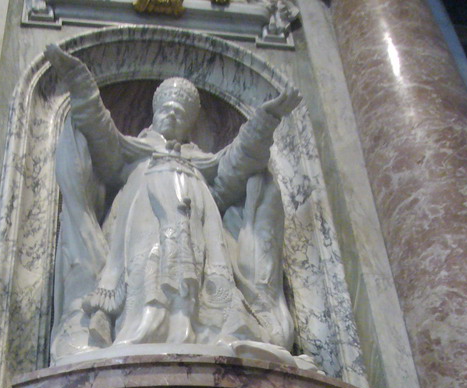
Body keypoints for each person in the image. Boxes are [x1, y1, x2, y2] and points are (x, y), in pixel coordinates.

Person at [46, 46, 318, 371]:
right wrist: (81, 83)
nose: (172, 115)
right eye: (167, 109)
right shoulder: (134, 154)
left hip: (198, 233)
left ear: (189, 123)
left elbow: (239, 161)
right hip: (143, 228)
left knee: (196, 281)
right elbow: (100, 130)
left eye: (180, 112)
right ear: (154, 113)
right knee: (149, 273)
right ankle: (140, 332)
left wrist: (266, 119)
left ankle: (198, 334)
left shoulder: (201, 164)